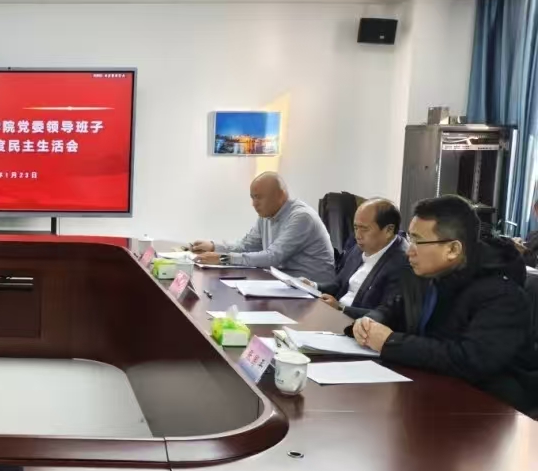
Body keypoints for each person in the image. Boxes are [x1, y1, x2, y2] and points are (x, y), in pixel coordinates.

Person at [353, 195, 535, 415]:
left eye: (418, 241)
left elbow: (470, 360)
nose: (409, 250)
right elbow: (394, 308)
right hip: (428, 394)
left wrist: (390, 342)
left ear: (453, 249)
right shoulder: (426, 274)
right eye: (409, 238)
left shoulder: (501, 295)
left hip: (489, 411)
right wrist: (371, 321)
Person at [190, 172, 336, 285]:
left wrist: (223, 258)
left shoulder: (301, 217)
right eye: (252, 197)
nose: (254, 204)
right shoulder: (266, 215)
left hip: (312, 290)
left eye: (259, 197)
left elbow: (272, 257)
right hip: (285, 282)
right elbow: (247, 246)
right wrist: (214, 247)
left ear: (281, 195)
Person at [310, 198, 409, 319]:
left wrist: (341, 309)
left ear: (389, 230)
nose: (358, 235)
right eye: (356, 228)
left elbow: (388, 316)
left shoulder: (403, 263)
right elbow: (339, 285)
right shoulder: (359, 248)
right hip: (335, 316)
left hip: (358, 325)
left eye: (364, 229)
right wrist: (312, 286)